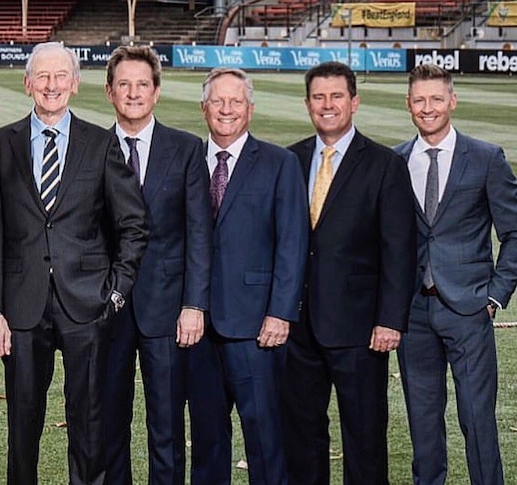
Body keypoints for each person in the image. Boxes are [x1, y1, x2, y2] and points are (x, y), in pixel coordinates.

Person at [0, 41, 148, 485]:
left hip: (86, 305)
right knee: (22, 422)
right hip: (21, 305)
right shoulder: (1, 144)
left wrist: (114, 292)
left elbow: (133, 225)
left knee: (88, 419)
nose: (51, 85)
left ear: (74, 83)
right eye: (43, 77)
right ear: (27, 83)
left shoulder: (101, 143)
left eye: (60, 77)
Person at [282, 61, 416, 485]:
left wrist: (390, 319)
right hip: (299, 327)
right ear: (307, 104)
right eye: (319, 97)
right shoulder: (291, 159)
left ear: (354, 102)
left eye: (336, 96)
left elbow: (400, 248)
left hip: (360, 330)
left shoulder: (384, 164)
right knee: (302, 437)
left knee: (364, 437)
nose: (327, 105)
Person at [394, 63, 517, 485]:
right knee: (423, 427)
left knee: (477, 422)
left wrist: (495, 295)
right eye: (419, 100)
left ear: (452, 101)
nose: (427, 108)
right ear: (408, 104)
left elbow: (514, 233)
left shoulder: (485, 158)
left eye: (436, 99)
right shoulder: (395, 161)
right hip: (411, 315)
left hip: (469, 310)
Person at [102, 45, 212, 485]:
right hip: (105, 307)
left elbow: (199, 233)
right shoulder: (91, 145)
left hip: (167, 308)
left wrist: (194, 304)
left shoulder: (186, 148)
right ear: (110, 92)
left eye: (142, 84)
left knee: (166, 423)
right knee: (108, 421)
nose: (133, 93)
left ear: (157, 91)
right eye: (124, 85)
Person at [200, 67, 308, 485]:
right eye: (218, 101)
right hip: (198, 325)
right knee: (208, 439)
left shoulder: (280, 163)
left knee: (263, 438)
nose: (227, 110)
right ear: (204, 107)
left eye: (236, 101)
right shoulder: (190, 159)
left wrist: (280, 314)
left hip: (256, 326)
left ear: (250, 108)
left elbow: (292, 244)